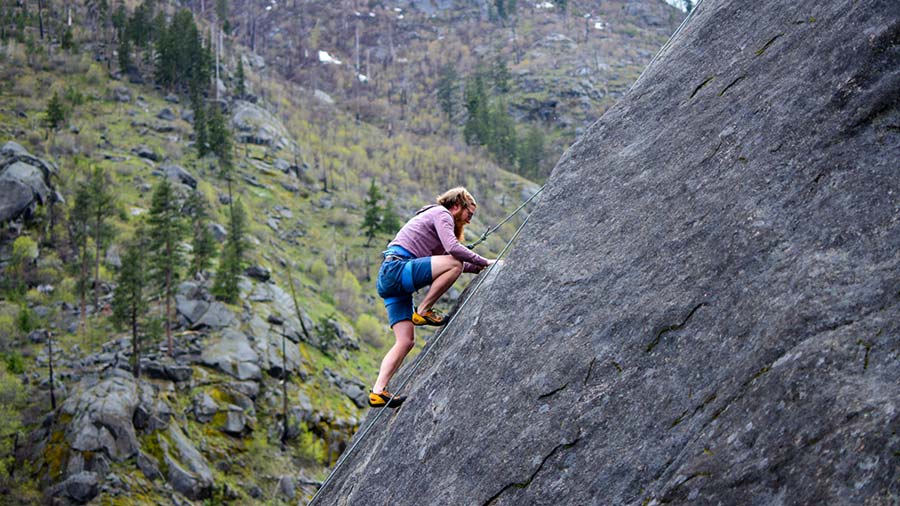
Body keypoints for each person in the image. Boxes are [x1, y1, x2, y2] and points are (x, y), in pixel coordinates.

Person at [369, 187, 495, 408]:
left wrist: (485, 265)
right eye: (469, 214)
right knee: (454, 262)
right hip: (398, 270)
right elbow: (453, 252)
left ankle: (378, 391)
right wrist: (483, 261)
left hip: (391, 280)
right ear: (457, 206)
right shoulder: (441, 214)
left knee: (406, 341)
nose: (469, 221)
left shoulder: (433, 223)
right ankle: (424, 310)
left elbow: (452, 263)